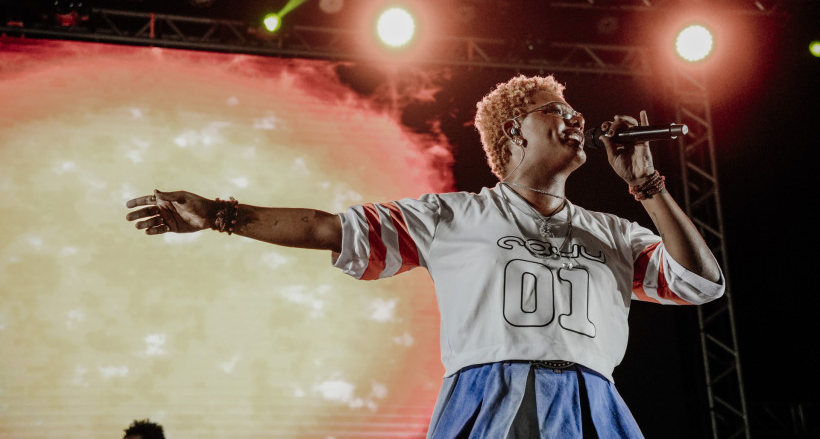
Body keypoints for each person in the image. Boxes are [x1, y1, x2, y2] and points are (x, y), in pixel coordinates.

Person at [125, 74, 724, 438]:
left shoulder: (613, 232)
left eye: (574, 112)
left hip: (592, 402)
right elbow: (325, 227)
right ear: (515, 132)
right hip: (493, 396)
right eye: (556, 111)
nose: (578, 119)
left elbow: (703, 284)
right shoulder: (454, 217)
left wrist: (649, 189)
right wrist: (220, 214)